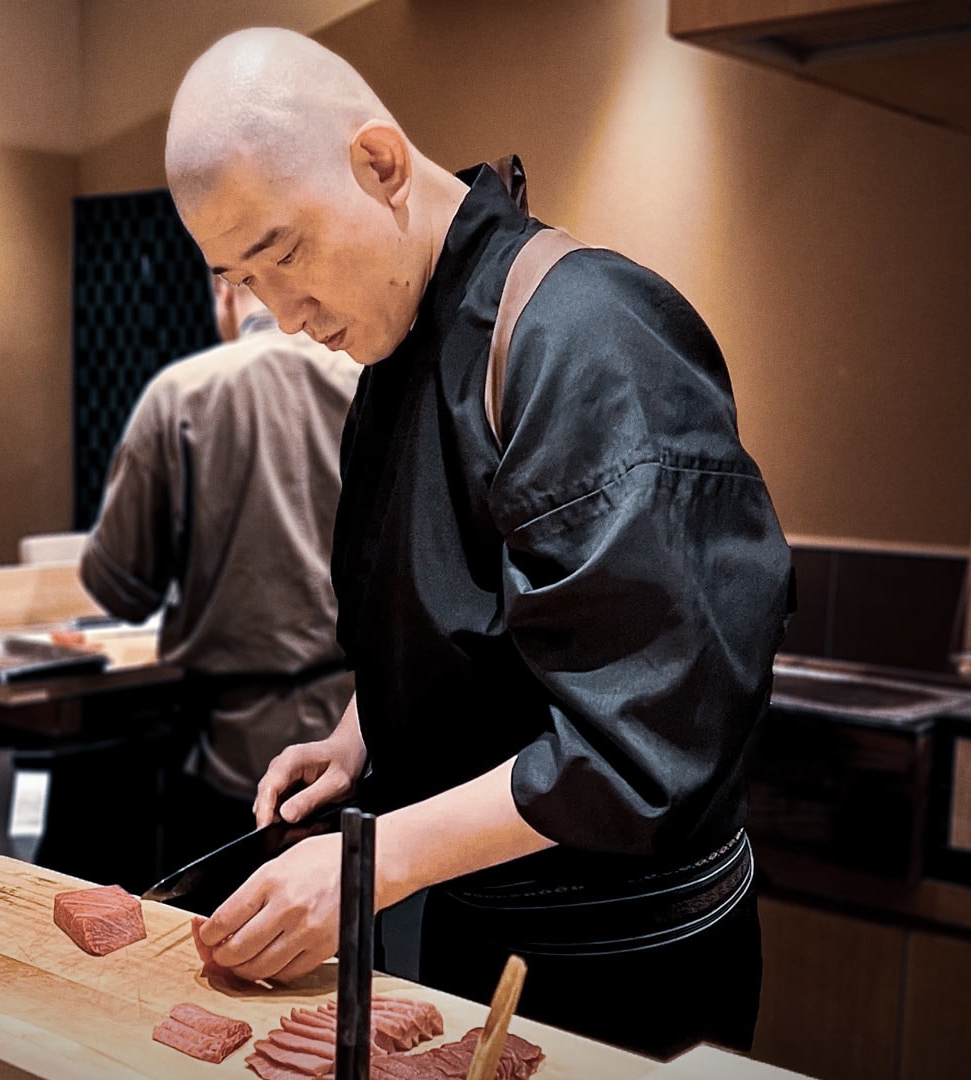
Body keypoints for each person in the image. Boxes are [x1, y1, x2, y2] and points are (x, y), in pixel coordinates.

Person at [161, 27, 795, 1060]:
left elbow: (641, 731)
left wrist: (369, 862)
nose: (280, 314)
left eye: (283, 252)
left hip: (622, 961)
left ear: (377, 165)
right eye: (242, 276)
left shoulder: (584, 334)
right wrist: (361, 737)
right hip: (476, 924)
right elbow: (464, 604)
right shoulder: (396, 342)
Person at [79, 274, 360, 870]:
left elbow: (120, 587)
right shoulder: (375, 382)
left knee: (217, 944)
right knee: (357, 950)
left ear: (224, 290)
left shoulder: (180, 394)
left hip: (231, 749)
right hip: (364, 738)